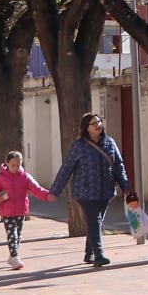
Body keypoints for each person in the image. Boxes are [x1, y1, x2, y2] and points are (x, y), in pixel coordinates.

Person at [49, 113, 131, 267]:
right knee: (94, 220)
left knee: (96, 222)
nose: (98, 125)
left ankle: (89, 253)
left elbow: (118, 165)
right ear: (86, 128)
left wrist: (125, 186)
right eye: (94, 123)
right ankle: (99, 255)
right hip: (85, 191)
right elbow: (66, 168)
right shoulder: (79, 146)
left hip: (106, 190)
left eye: (99, 121)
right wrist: (55, 191)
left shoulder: (109, 143)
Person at [0, 150, 56, 270]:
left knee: (18, 235)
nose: (15, 168)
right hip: (7, 212)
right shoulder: (1, 178)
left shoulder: (25, 177)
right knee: (12, 234)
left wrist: (47, 195)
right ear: (7, 163)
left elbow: (36, 189)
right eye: (13, 165)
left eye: (18, 165)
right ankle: (15, 257)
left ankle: (12, 256)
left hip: (20, 211)